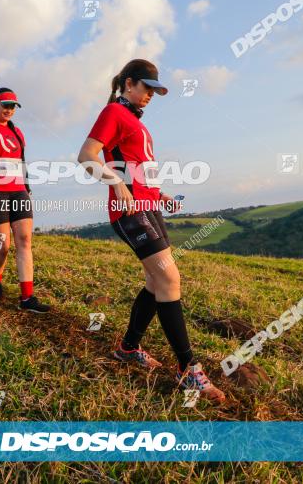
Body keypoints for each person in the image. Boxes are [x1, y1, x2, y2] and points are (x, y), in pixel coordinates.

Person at [77, 58, 225, 403]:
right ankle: (188, 369)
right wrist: (115, 184)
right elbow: (86, 155)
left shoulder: (133, 121)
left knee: (155, 282)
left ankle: (129, 348)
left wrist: (159, 194)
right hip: (129, 212)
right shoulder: (113, 112)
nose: (150, 95)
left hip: (149, 206)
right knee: (169, 280)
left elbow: (137, 168)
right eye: (146, 88)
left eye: (155, 91)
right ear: (128, 83)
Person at [0, 88, 49, 313]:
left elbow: (22, 162)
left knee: (24, 240)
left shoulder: (18, 132)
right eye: (5, 105)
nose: (9, 109)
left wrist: (28, 188)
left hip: (18, 190)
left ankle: (27, 298)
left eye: (13, 106)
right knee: (1, 246)